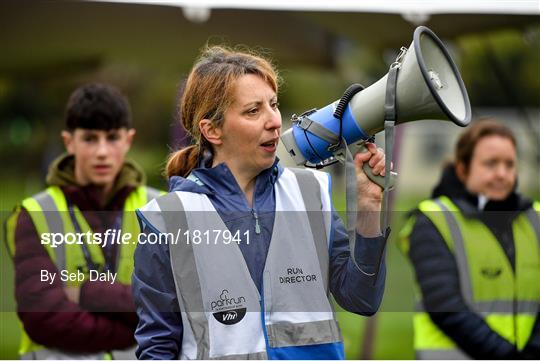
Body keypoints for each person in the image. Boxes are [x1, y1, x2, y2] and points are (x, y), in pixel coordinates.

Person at [133, 45, 390, 360]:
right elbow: (157, 347)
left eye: (274, 104)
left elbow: (362, 299)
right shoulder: (167, 219)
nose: (274, 121)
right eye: (253, 111)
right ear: (211, 130)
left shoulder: (310, 192)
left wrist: (368, 208)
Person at [4, 83, 162, 359]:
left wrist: (88, 291)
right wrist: (139, 328)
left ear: (128, 140)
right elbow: (44, 319)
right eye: (90, 138)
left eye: (112, 137)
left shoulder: (161, 207)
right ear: (69, 142)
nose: (102, 151)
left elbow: (176, 305)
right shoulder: (36, 213)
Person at [399, 119, 540, 359]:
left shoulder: (535, 218)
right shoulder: (433, 220)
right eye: (490, 163)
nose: (502, 174)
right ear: (463, 169)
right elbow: (446, 307)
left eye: (509, 164)